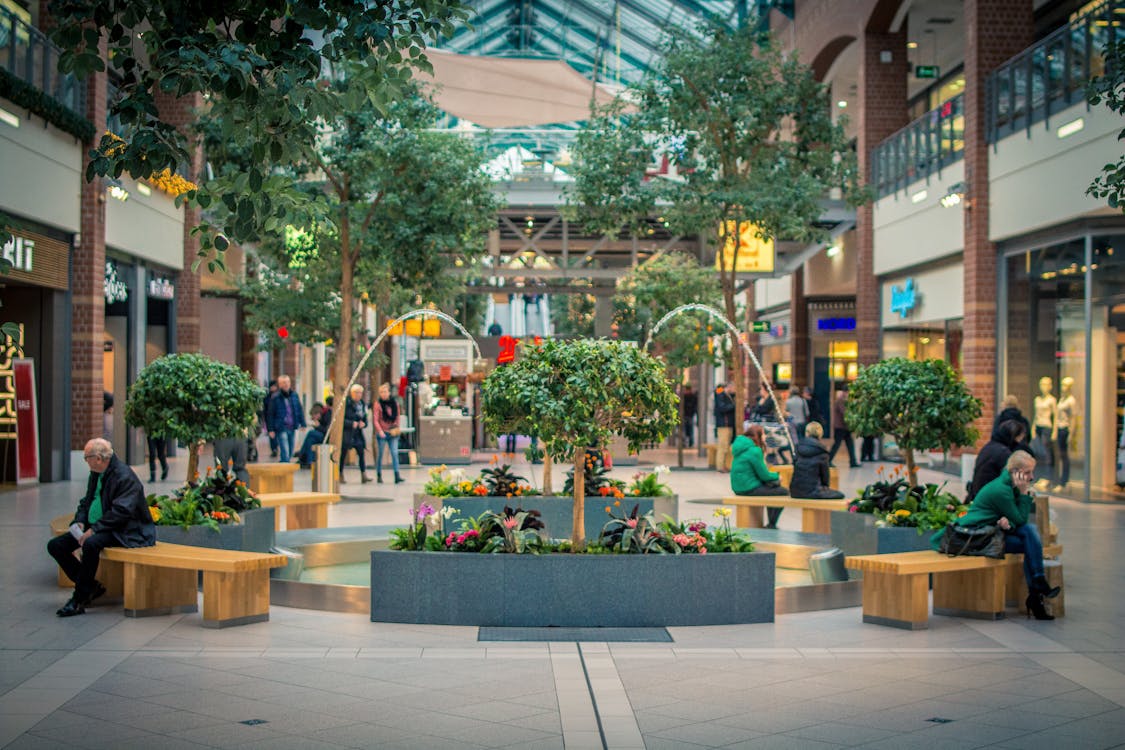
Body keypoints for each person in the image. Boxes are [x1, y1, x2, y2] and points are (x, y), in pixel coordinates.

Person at [931, 451, 1060, 620]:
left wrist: (1007, 521)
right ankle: (1037, 592)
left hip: (991, 532)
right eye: (1027, 472)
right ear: (1015, 471)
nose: (1031, 477)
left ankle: (1037, 590)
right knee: (1030, 538)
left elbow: (1013, 520)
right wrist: (1023, 493)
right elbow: (1020, 519)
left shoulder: (1009, 485)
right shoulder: (1002, 490)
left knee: (1030, 538)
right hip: (976, 537)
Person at [47, 438, 155, 617]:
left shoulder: (124, 476)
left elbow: (121, 512)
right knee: (56, 546)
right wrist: (80, 521)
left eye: (86, 457)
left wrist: (94, 529)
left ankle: (79, 598)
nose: (86, 461)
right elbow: (87, 501)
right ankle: (90, 587)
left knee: (91, 544)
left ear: (98, 458)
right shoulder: (97, 473)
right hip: (100, 525)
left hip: (124, 530)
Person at [730, 425, 788, 528]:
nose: (765, 437)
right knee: (782, 491)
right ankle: (772, 524)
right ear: (758, 436)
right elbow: (764, 475)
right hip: (749, 488)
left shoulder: (741, 447)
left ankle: (771, 524)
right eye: (764, 434)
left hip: (738, 487)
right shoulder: (754, 450)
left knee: (772, 489)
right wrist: (777, 476)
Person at [967, 419, 1026, 503]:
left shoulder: (989, 446)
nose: (1020, 442)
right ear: (1013, 437)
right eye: (1020, 438)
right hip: (988, 501)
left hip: (977, 496)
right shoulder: (1003, 453)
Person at [789, 421, 845, 501]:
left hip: (795, 491)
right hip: (813, 491)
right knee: (840, 495)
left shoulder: (798, 448)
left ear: (807, 433)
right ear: (820, 434)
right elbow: (825, 477)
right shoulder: (822, 451)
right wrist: (825, 488)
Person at [265, 374, 305, 464]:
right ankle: (284, 467)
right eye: (283, 382)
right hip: (281, 427)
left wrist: (303, 423)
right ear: (280, 384)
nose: (286, 384)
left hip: (292, 426)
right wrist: (270, 429)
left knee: (290, 451)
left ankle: (284, 464)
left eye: (287, 382)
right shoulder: (275, 397)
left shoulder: (294, 395)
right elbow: (270, 414)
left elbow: (299, 409)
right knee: (285, 452)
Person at [374, 383, 404, 484]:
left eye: (385, 392)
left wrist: (396, 427)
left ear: (389, 393)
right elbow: (376, 420)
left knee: (394, 453)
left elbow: (398, 416)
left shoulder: (394, 403)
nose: (383, 394)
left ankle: (397, 475)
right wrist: (380, 431)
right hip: (382, 432)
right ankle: (379, 474)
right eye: (381, 392)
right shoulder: (378, 404)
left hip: (393, 432)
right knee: (381, 454)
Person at [341, 384, 371, 484]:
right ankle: (340, 473)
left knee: (361, 453)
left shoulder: (362, 404)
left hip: (358, 433)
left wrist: (364, 424)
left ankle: (363, 474)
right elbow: (341, 419)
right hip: (348, 433)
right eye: (357, 392)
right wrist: (351, 423)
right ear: (352, 393)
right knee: (343, 454)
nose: (359, 395)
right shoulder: (347, 403)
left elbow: (365, 418)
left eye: (360, 393)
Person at [827, 386, 860, 468]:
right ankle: (828, 460)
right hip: (840, 427)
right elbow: (844, 413)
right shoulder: (841, 400)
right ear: (845, 392)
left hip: (844, 427)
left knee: (849, 444)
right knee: (837, 444)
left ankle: (853, 461)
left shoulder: (843, 400)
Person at [296, 399, 331, 467]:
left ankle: (302, 455)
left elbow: (326, 431)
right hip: (321, 435)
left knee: (311, 433)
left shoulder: (327, 416)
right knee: (310, 440)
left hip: (326, 437)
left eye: (314, 416)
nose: (313, 418)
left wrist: (318, 426)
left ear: (318, 414)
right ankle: (309, 461)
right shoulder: (321, 417)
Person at [713, 383, 737, 473]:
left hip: (727, 424)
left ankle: (724, 465)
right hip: (724, 424)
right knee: (723, 446)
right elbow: (722, 408)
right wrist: (733, 406)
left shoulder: (726, 395)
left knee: (726, 446)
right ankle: (720, 466)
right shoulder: (721, 394)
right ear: (728, 387)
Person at [263, 380, 279, 457]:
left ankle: (276, 448)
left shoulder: (279, 396)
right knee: (272, 435)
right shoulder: (267, 397)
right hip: (270, 418)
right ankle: (274, 449)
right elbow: (265, 409)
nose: (273, 388)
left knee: (277, 435)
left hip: (278, 419)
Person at [681, 384, 698, 448]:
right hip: (685, 415)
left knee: (689, 429)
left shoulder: (693, 396)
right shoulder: (684, 396)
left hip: (690, 415)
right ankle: (686, 442)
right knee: (685, 430)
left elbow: (695, 406)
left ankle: (690, 442)